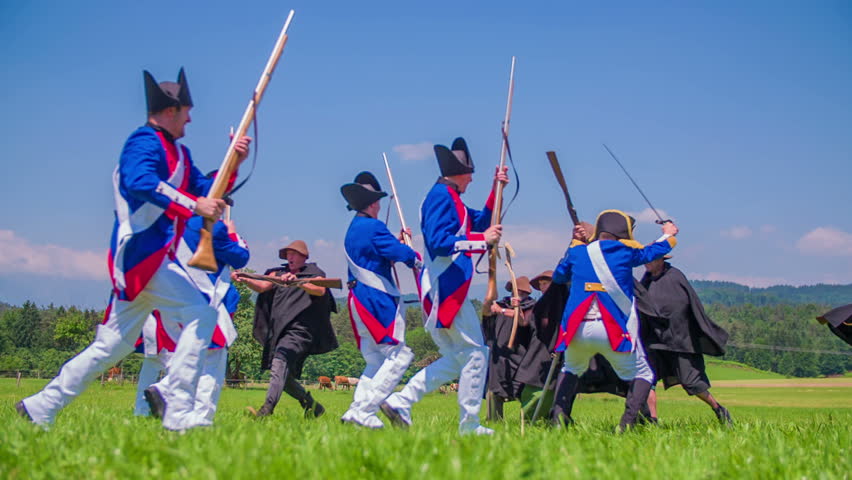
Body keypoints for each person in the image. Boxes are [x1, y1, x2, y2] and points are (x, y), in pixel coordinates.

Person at [16, 69, 251, 431]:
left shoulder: (180, 154)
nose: (190, 118)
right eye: (186, 111)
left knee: (110, 347)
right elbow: (140, 182)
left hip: (153, 259)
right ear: (171, 111)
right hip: (141, 255)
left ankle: (40, 405)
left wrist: (233, 160)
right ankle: (174, 402)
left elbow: (207, 189)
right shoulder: (143, 142)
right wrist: (193, 205)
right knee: (202, 314)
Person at [382, 137, 508, 435]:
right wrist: (481, 241)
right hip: (445, 287)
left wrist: (496, 189)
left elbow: (480, 221)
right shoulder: (440, 196)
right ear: (458, 173)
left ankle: (401, 401)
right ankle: (470, 425)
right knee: (476, 353)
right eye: (470, 173)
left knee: (459, 359)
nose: (472, 178)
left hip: (446, 288)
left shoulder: (452, 198)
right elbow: (440, 244)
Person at [549, 210, 678, 431]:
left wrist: (575, 242)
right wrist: (669, 233)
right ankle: (627, 424)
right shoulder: (625, 251)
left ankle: (558, 421)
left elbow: (559, 276)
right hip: (611, 328)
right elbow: (653, 251)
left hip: (576, 328)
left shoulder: (579, 252)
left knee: (570, 369)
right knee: (644, 374)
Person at [135, 214, 249, 426]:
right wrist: (233, 232)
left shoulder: (170, 223)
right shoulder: (213, 227)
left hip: (178, 301)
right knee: (211, 363)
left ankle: (163, 403)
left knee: (191, 356)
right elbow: (240, 255)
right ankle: (195, 414)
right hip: (207, 300)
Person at [339, 171, 420, 428]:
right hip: (376, 299)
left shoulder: (355, 228)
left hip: (358, 300)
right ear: (373, 203)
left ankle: (355, 410)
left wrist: (395, 242)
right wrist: (412, 253)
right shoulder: (374, 227)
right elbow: (400, 254)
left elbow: (377, 252)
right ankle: (365, 409)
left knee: (375, 360)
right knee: (399, 355)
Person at [238, 240, 338, 418]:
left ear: (303, 257)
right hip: (278, 331)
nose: (289, 257)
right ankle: (313, 406)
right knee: (282, 377)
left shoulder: (313, 273)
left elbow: (320, 290)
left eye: (294, 254)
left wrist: (298, 282)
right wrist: (244, 279)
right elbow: (262, 286)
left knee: (279, 362)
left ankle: (265, 410)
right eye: (288, 254)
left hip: (300, 331)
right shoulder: (278, 273)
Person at [638, 255, 732, 425]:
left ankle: (718, 409)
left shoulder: (675, 277)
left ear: (660, 260)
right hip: (654, 340)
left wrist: (663, 319)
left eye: (650, 260)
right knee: (646, 379)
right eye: (645, 260)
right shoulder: (647, 280)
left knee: (692, 383)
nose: (646, 263)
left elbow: (680, 307)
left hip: (679, 341)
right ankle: (652, 420)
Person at [483, 277, 536, 421]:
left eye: (520, 291)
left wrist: (507, 310)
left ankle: (528, 420)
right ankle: (494, 420)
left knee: (524, 388)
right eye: (515, 290)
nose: (517, 293)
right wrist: (491, 304)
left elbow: (524, 320)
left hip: (521, 355)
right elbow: (487, 312)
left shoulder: (531, 306)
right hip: (500, 355)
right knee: (494, 389)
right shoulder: (501, 303)